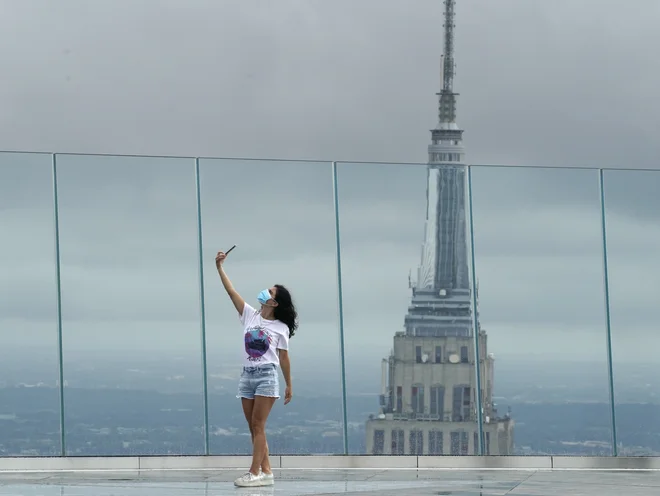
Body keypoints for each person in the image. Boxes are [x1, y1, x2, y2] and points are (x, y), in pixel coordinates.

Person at [215, 250, 297, 488]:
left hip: (266, 376)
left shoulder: (280, 327)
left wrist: (289, 384)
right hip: (247, 376)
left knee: (259, 425)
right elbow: (231, 292)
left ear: (274, 302)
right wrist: (220, 267)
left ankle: (254, 472)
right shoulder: (250, 315)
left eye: (270, 292)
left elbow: (284, 358)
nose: (265, 291)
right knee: (253, 426)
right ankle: (267, 471)